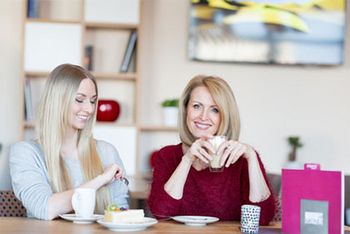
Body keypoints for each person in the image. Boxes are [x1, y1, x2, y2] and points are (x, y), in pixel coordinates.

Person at [148, 75, 275, 225]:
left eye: (214, 110)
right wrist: (187, 160)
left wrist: (252, 158)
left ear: (225, 116)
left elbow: (263, 218)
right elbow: (161, 213)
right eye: (196, 106)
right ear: (186, 110)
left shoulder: (243, 159)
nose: (203, 116)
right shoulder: (167, 156)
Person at [9, 64, 128, 220]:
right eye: (80, 99)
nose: (89, 109)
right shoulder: (25, 153)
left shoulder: (107, 151)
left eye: (93, 101)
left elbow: (121, 212)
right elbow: (45, 208)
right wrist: (102, 179)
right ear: (57, 100)